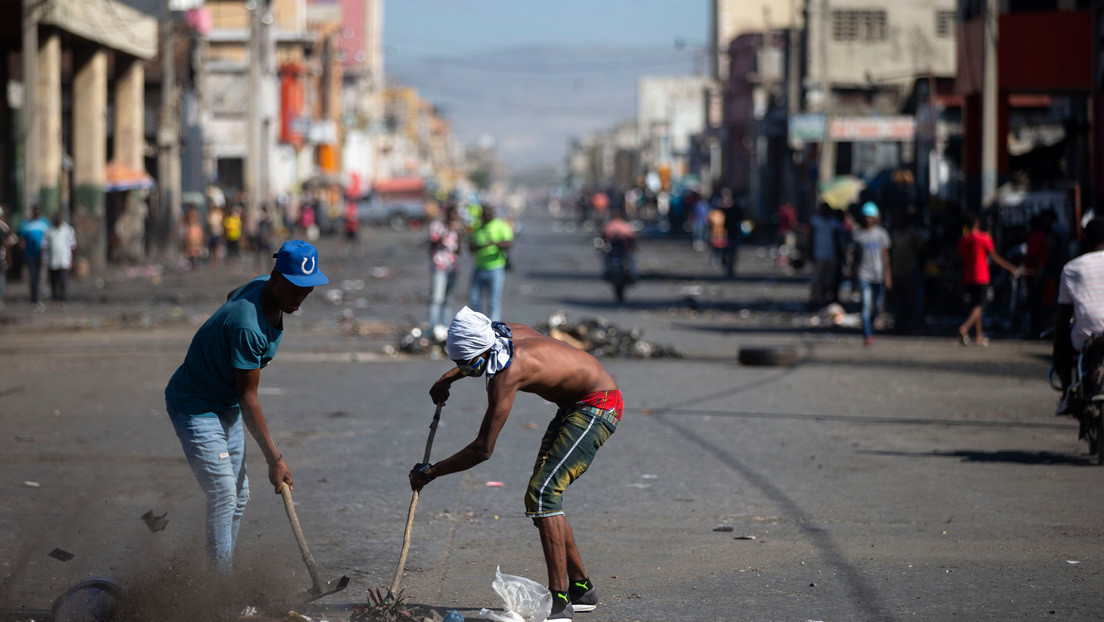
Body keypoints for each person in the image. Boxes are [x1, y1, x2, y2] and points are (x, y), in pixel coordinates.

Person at [411, 307, 622, 620]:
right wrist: (449, 376)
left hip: (598, 406)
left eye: (466, 365)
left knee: (543, 494)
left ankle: (559, 602)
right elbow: (475, 359)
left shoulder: (507, 374)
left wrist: (430, 473)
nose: (466, 370)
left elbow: (483, 449)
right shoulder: (503, 332)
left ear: (480, 351)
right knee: (542, 497)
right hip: (574, 407)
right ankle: (581, 588)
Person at [164, 240, 328, 573]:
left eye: (306, 292)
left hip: (224, 402)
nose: (299, 298)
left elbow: (231, 296)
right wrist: (275, 460)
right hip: (195, 405)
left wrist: (219, 348)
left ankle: (220, 570)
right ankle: (221, 586)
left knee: (238, 497)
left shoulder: (258, 287)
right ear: (275, 276)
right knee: (224, 492)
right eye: (295, 289)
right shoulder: (249, 326)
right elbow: (248, 397)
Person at [1053, 219, 1104, 417]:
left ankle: (1068, 392)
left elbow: (1063, 316)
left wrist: (1058, 348)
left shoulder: (1072, 268)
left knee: (1063, 346)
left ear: (1086, 238)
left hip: (1087, 336)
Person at [956, 214, 1018, 346]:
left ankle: (979, 336)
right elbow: (994, 257)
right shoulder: (984, 238)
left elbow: (961, 261)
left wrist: (961, 280)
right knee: (980, 305)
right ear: (977, 223)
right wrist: (1010, 267)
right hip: (982, 276)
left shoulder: (963, 240)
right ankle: (965, 327)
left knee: (975, 306)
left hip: (968, 277)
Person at [851, 202, 892, 347]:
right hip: (864, 275)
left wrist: (888, 276)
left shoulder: (881, 234)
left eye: (871, 216)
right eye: (866, 216)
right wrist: (853, 277)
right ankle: (868, 334)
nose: (868, 219)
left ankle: (869, 327)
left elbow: (885, 257)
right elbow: (855, 258)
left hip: (879, 275)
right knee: (866, 306)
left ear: (876, 218)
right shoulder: (858, 236)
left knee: (877, 306)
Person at [468, 205, 513, 321]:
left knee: (493, 300)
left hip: (496, 267)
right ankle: (478, 323)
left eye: (489, 214)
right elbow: (470, 245)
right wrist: (477, 246)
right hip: (479, 267)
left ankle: (493, 325)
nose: (487, 216)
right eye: (484, 214)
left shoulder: (500, 225)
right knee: (474, 298)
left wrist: (493, 243)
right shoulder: (478, 227)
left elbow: (509, 243)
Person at [427, 204, 463, 338]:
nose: (454, 218)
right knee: (437, 298)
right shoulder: (438, 226)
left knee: (448, 299)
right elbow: (433, 243)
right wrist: (447, 231)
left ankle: (445, 327)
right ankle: (433, 327)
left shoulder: (456, 229)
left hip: (453, 267)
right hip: (440, 267)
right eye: (452, 214)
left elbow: (458, 250)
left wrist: (459, 235)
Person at [889, 210, 925, 335]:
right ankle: (899, 325)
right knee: (898, 301)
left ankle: (910, 326)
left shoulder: (912, 234)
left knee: (910, 301)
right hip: (896, 272)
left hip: (910, 272)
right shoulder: (893, 234)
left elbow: (920, 251)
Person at [808, 203, 846, 310]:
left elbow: (837, 240)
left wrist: (840, 254)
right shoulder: (815, 221)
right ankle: (814, 300)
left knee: (829, 281)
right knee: (818, 280)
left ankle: (826, 300)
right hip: (819, 255)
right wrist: (810, 251)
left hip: (831, 256)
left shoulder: (834, 223)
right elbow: (811, 237)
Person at [41, 210, 77, 306]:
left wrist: (72, 259)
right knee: (53, 281)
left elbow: (73, 246)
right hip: (52, 261)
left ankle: (63, 299)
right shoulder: (49, 231)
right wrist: (44, 258)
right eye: (56, 218)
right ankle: (55, 299)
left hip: (64, 260)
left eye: (59, 217)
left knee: (63, 281)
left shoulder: (68, 230)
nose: (58, 219)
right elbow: (44, 246)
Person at [18, 204, 49, 310]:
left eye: (38, 211)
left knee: (41, 277)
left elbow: (49, 238)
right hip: (30, 255)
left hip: (42, 255)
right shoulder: (26, 224)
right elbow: (21, 240)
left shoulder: (44, 223)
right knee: (33, 276)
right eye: (34, 211)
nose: (36, 213)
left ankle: (39, 297)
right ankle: (34, 298)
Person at [182, 205, 205, 269]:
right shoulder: (197, 215)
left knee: (192, 248)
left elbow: (182, 222)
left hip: (192, 231)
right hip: (196, 231)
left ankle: (194, 264)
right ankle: (195, 264)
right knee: (195, 248)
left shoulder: (188, 214)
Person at [207, 202, 225, 270]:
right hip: (212, 233)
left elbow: (222, 223)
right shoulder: (210, 214)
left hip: (218, 232)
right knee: (211, 248)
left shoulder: (219, 214)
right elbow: (208, 224)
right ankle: (213, 261)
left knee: (216, 248)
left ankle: (216, 262)